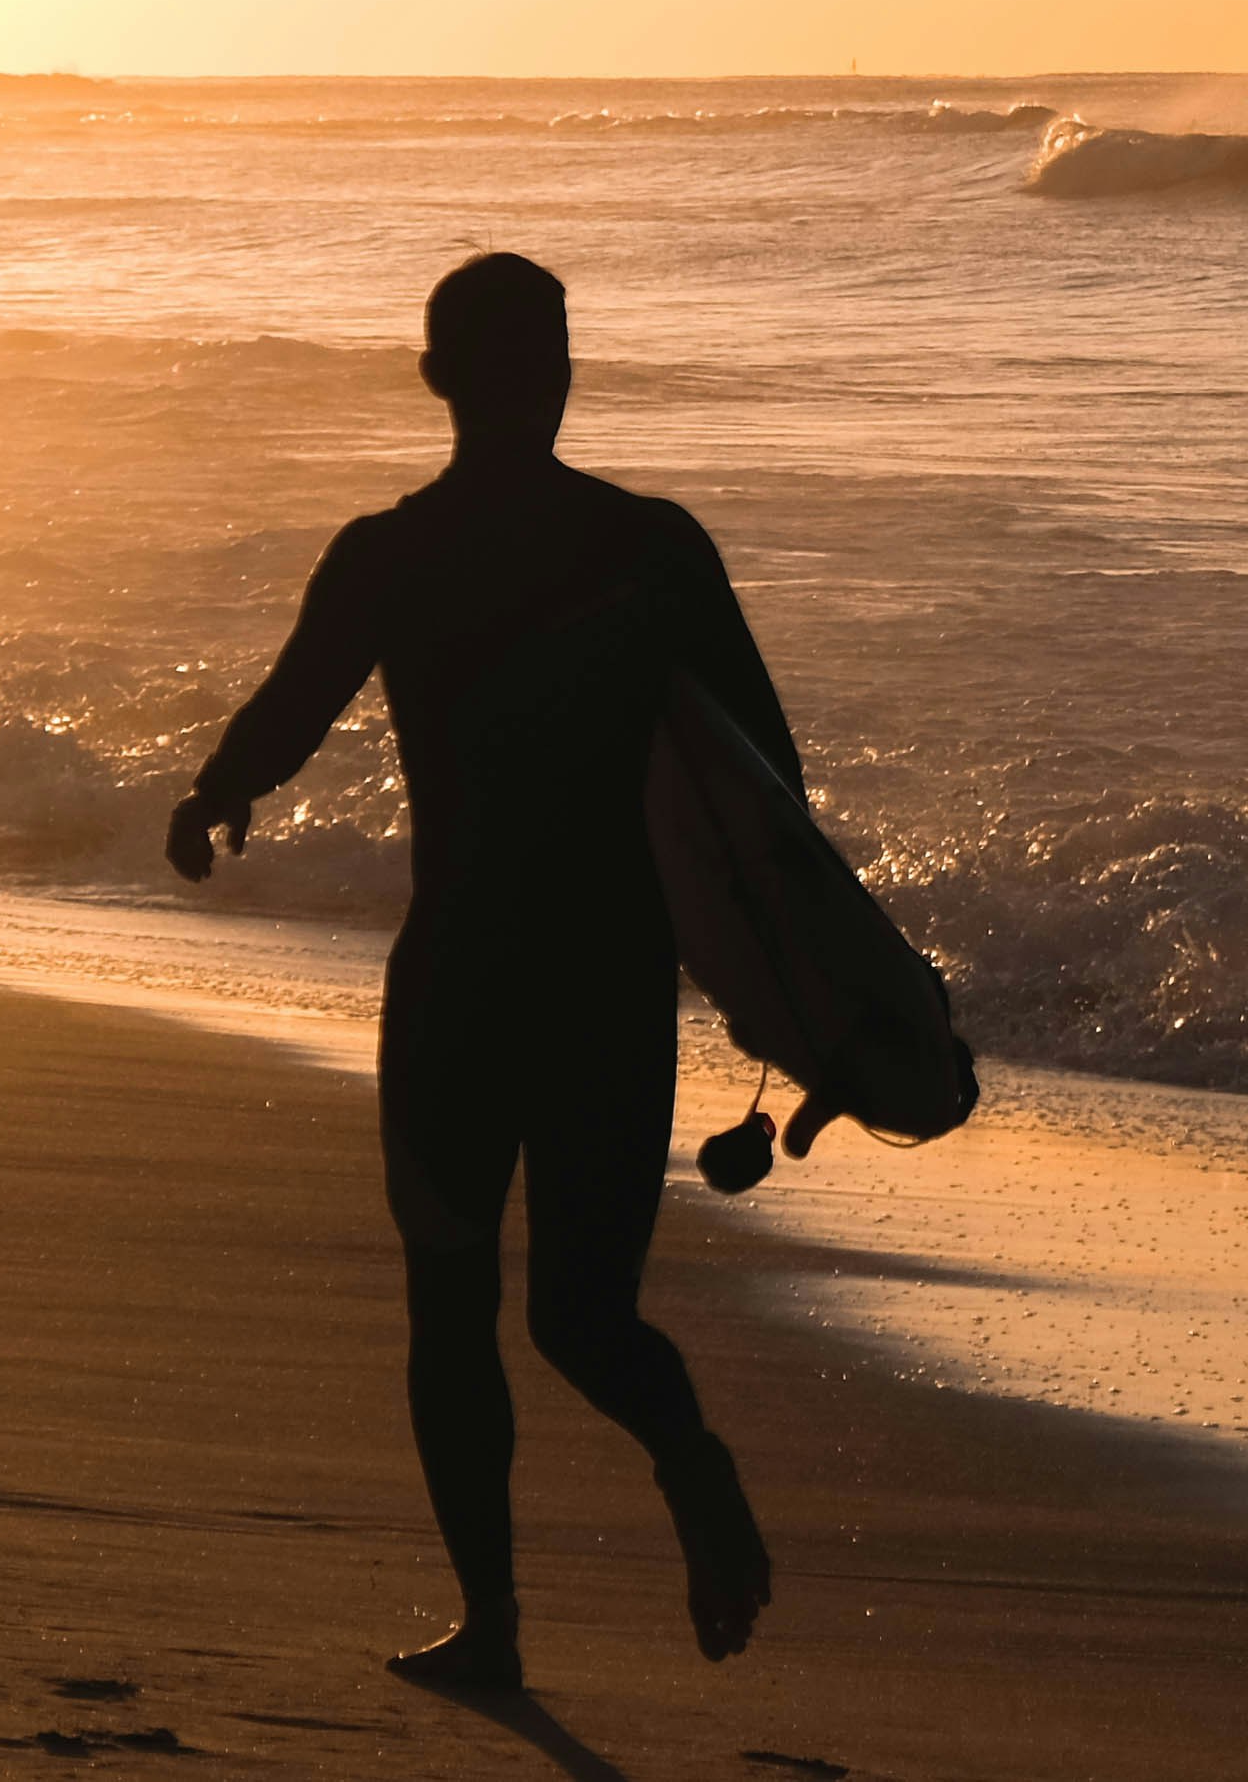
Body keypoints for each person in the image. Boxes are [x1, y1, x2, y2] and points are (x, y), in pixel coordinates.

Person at [169, 251, 794, 1697]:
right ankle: (688, 1460)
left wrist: (212, 796)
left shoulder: (392, 552)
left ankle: (494, 1625)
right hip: (610, 988)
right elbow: (766, 774)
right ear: (557, 372)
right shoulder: (654, 549)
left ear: (435, 376)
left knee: (451, 1302)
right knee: (585, 1313)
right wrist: (789, 978)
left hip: (460, 979)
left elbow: (291, 706)